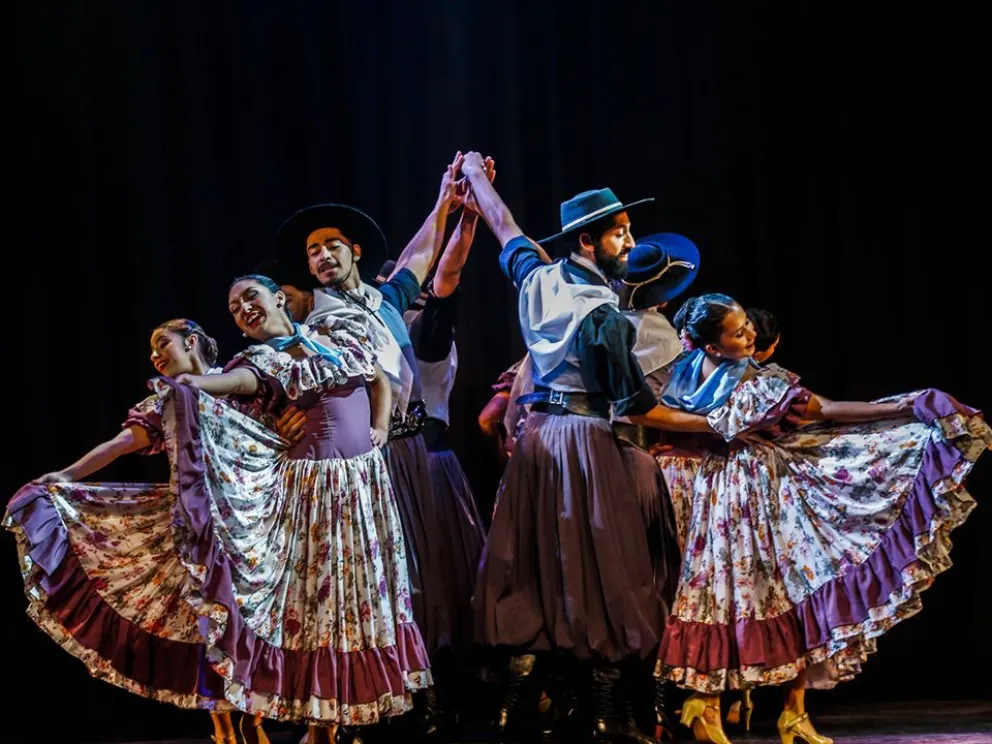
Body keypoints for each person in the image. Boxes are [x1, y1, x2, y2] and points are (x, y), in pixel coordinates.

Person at [460, 150, 717, 743]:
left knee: (534, 565)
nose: (630, 244)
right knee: (606, 566)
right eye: (619, 233)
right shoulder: (603, 315)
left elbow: (506, 228)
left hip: (538, 441)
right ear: (586, 240)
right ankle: (606, 712)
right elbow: (635, 406)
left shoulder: (537, 277)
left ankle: (519, 709)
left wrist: (473, 176)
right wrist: (715, 423)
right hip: (584, 438)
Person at [654, 293, 990, 744]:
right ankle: (720, 705)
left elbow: (821, 411)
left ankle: (741, 707)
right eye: (738, 332)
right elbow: (827, 409)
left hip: (729, 491)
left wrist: (906, 406)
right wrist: (905, 407)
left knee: (749, 592)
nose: (750, 334)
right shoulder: (747, 382)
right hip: (743, 492)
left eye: (746, 325)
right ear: (712, 346)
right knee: (745, 592)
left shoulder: (692, 375)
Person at [274, 155, 491, 736]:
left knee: (421, 573)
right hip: (359, 458)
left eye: (332, 245)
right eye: (313, 250)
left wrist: (446, 202)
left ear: (354, 252)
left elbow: (422, 258)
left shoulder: (385, 301)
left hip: (410, 449)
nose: (322, 255)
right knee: (377, 576)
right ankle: (375, 695)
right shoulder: (310, 318)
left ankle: (422, 688)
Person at [172, 275, 431, 743]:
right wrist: (196, 382)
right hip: (315, 491)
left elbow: (378, 379)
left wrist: (379, 429)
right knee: (322, 605)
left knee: (359, 599)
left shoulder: (336, 336)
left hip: (363, 484)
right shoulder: (259, 362)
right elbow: (236, 383)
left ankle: (334, 722)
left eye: (250, 296)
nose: (243, 308)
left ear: (279, 297)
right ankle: (318, 722)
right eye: (234, 308)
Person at [6, 320, 259, 744]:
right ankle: (223, 727)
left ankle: (255, 713)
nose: (155, 356)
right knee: (206, 622)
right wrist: (66, 475)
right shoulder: (167, 399)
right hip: (197, 526)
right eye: (152, 350)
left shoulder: (237, 384)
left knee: (252, 621)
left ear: (191, 342)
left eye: (163, 344)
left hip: (251, 522)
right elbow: (122, 443)